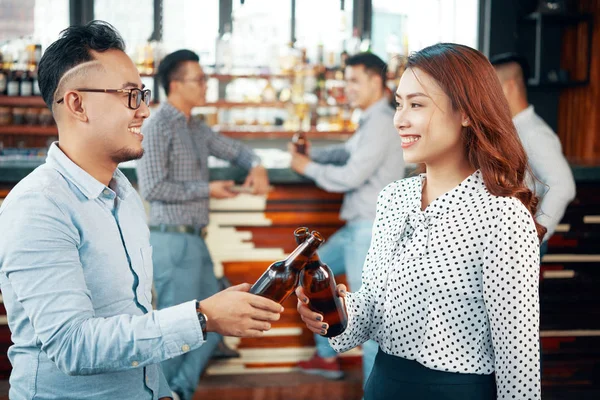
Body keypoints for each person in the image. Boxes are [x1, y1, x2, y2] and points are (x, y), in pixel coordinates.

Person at [0, 21, 283, 400]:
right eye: (130, 95)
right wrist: (204, 317)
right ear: (77, 103)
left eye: (143, 94)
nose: (144, 111)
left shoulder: (125, 196)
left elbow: (135, 324)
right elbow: (72, 345)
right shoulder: (38, 205)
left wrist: (158, 391)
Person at [296, 43, 544, 400]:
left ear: (466, 113)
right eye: (399, 104)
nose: (400, 119)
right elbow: (370, 310)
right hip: (384, 386)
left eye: (417, 104)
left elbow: (518, 359)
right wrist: (333, 312)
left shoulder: (502, 216)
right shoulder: (393, 198)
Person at [135, 49, 270, 400]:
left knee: (214, 326)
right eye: (200, 79)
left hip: (195, 242)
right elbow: (152, 188)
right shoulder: (157, 126)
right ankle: (161, 394)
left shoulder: (197, 127)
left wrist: (255, 164)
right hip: (172, 241)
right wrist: (206, 189)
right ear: (175, 84)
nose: (206, 85)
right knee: (177, 330)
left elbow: (236, 151)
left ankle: (178, 392)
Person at [289, 52, 405, 382]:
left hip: (369, 230)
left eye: (353, 80)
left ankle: (374, 393)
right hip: (359, 228)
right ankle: (326, 356)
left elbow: (352, 174)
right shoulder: (371, 120)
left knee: (367, 318)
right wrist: (316, 154)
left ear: (375, 81)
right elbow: (348, 151)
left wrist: (306, 167)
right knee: (310, 271)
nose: (347, 88)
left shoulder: (382, 122)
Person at [490, 53, 576, 257]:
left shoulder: (534, 132)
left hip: (521, 246)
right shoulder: (513, 128)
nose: (486, 96)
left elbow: (564, 186)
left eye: (491, 88)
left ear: (508, 86)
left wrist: (535, 234)